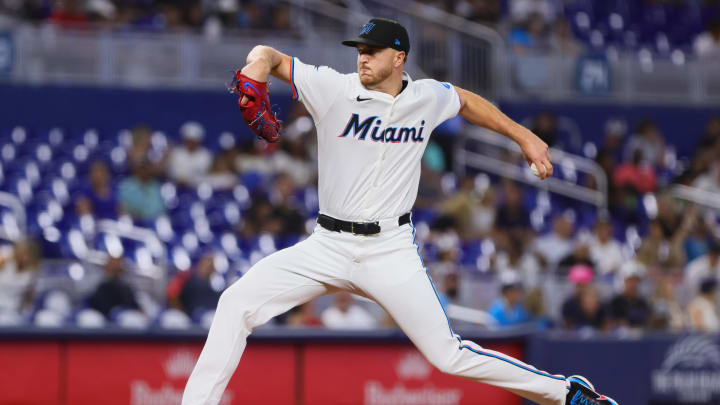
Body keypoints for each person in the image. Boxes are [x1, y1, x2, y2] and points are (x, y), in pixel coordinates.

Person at [182, 18, 617, 405]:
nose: (362, 58)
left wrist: (524, 136)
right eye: (359, 50)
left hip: (390, 249)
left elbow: (464, 100)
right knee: (236, 302)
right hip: (327, 244)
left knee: (448, 355)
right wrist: (257, 63)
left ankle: (564, 393)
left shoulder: (426, 98)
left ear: (399, 57)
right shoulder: (333, 88)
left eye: (371, 51)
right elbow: (272, 57)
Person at [168, 121, 213, 187]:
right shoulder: (175, 153)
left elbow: (207, 175)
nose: (191, 143)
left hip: (198, 188)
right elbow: (172, 174)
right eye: (189, 140)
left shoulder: (206, 155)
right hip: (177, 188)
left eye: (194, 140)